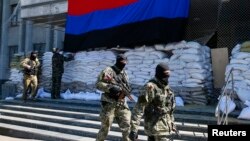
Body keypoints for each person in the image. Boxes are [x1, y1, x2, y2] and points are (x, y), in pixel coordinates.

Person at [129, 63, 176, 141]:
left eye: (168, 74)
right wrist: (134, 129)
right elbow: (138, 109)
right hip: (155, 129)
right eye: (165, 74)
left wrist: (172, 123)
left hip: (166, 128)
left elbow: (169, 110)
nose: (167, 77)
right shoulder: (150, 87)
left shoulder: (167, 88)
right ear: (159, 73)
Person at [95, 54, 131, 141]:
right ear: (118, 61)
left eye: (125, 62)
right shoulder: (109, 70)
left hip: (122, 104)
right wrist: (110, 88)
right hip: (109, 104)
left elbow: (125, 86)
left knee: (127, 127)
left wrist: (127, 90)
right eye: (122, 61)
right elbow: (98, 84)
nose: (124, 63)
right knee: (105, 129)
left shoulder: (124, 73)